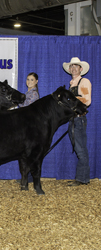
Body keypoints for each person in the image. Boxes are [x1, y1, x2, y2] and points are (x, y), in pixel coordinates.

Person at [63, 57, 92, 186]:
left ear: (81, 69)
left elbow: (86, 100)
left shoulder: (84, 82)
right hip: (73, 119)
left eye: (76, 66)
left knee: (81, 149)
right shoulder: (71, 83)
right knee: (79, 148)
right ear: (69, 69)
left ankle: (82, 179)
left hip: (79, 119)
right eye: (72, 66)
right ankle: (82, 177)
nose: (74, 68)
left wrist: (72, 100)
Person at [17, 72, 40, 184]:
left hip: (31, 126)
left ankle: (30, 177)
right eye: (27, 79)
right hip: (27, 124)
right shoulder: (29, 93)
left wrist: (17, 102)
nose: (29, 82)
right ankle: (26, 176)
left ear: (36, 81)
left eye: (31, 80)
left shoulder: (34, 94)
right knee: (27, 151)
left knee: (29, 151)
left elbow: (25, 107)